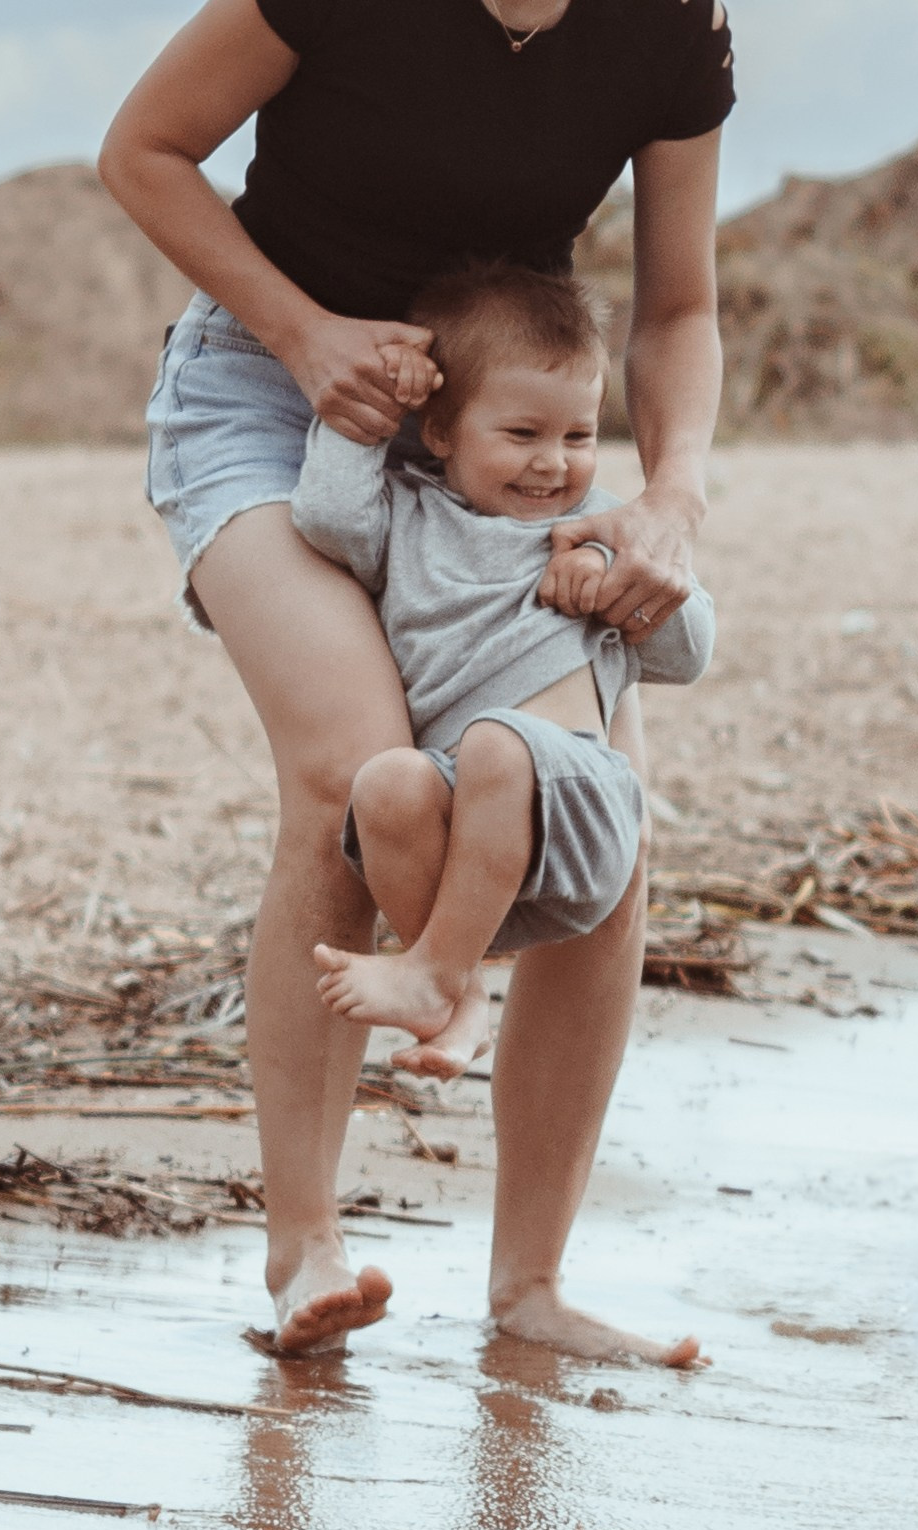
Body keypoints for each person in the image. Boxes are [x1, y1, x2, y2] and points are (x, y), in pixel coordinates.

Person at [100, 0, 731, 1364]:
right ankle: (305, 1255)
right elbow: (139, 152)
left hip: (499, 447)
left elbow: (678, 308)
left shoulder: (668, 29)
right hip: (261, 394)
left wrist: (668, 501)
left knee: (593, 819)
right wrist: (303, 340)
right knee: (351, 772)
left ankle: (525, 1294)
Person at [292, 259, 715, 1085]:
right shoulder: (407, 515)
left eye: (579, 436)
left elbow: (688, 652)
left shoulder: (605, 530)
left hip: (579, 821)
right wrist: (372, 405)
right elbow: (326, 514)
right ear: (441, 431)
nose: (553, 464)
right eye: (522, 435)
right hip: (462, 852)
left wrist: (614, 583)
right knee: (384, 783)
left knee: (499, 743)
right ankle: (457, 992)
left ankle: (431, 969)